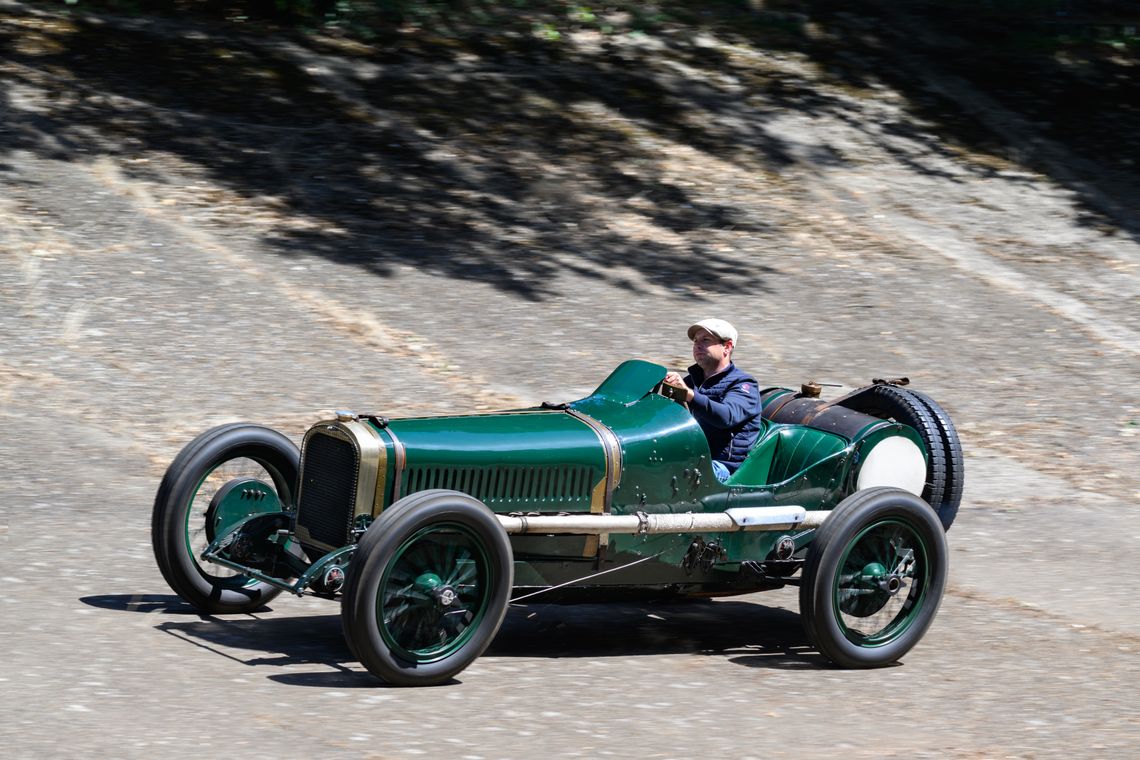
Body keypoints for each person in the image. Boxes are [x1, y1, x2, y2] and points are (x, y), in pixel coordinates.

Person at [663, 318, 762, 482]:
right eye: (695, 341)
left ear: (727, 347)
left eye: (706, 340)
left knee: (670, 477)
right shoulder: (692, 381)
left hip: (723, 468)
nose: (697, 345)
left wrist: (688, 394)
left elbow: (726, 416)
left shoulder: (744, 385)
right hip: (692, 458)